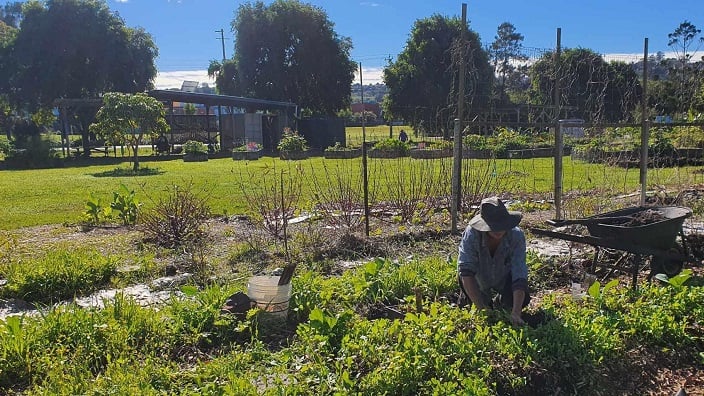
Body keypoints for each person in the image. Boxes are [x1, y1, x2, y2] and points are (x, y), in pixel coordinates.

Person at [457, 196, 530, 326]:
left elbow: (519, 275)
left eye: (501, 226)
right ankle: (474, 300)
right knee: (472, 306)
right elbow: (466, 271)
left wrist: (516, 312)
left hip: (503, 278)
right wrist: (482, 309)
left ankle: (500, 303)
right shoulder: (472, 235)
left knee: (521, 300)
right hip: (478, 278)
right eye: (494, 227)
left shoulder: (516, 236)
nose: (499, 230)